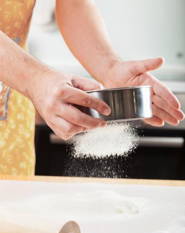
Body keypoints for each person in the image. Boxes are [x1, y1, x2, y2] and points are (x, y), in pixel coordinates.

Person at [0, 0, 184, 176]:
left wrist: (108, 67)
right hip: (22, 83)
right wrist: (34, 78)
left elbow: (75, 3)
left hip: (12, 120)